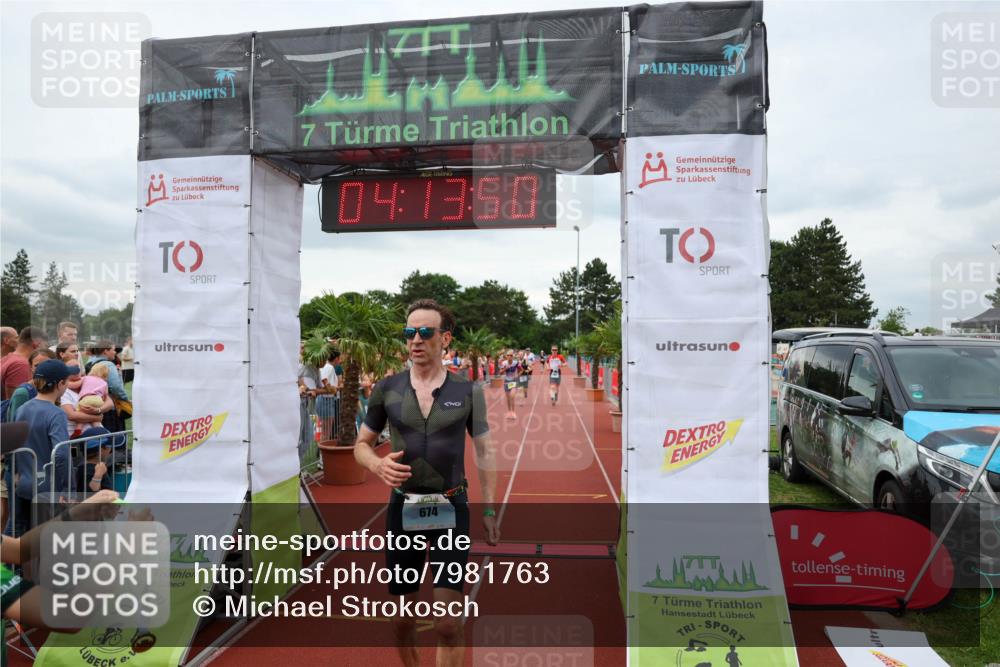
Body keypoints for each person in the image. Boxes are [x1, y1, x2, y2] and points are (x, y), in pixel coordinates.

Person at [354, 299, 499, 667]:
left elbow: (484, 452)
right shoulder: (387, 389)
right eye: (409, 333)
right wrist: (376, 465)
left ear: (445, 339)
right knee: (403, 619)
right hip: (404, 509)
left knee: (448, 623)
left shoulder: (468, 392)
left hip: (452, 508)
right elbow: (361, 445)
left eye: (425, 332)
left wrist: (491, 508)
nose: (415, 340)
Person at [7, 359, 77, 536]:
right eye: (67, 381)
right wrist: (68, 488)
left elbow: (13, 444)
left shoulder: (22, 408)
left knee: (29, 535)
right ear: (60, 384)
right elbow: (61, 453)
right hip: (49, 488)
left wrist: (17, 473)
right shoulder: (56, 413)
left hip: (25, 483)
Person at [1, 327, 47, 401]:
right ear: (36, 344)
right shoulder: (20, 365)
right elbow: (18, 401)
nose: (45, 350)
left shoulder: (7, 358)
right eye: (45, 346)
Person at [500, 351, 520, 419]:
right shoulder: (504, 363)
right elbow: (500, 372)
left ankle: (513, 412)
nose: (509, 356)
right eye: (508, 355)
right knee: (508, 398)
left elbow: (521, 370)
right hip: (506, 381)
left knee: (512, 396)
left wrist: (518, 375)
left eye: (511, 355)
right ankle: (509, 412)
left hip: (513, 381)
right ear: (506, 356)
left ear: (513, 356)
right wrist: (506, 368)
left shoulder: (516, 362)